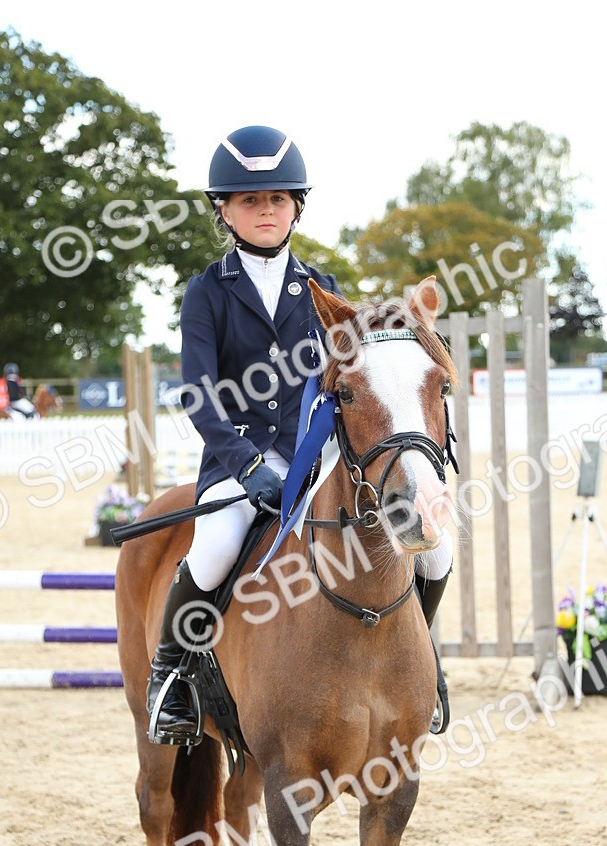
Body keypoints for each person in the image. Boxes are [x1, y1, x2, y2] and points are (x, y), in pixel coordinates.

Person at [146, 125, 453, 744]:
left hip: (320, 460)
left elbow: (343, 378)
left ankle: (422, 667)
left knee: (436, 546)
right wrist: (246, 462)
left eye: (278, 199)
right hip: (238, 468)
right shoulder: (207, 292)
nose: (266, 211)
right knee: (212, 548)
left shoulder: (322, 289)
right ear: (225, 211)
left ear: (296, 207)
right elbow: (199, 394)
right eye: (251, 201)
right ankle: (171, 677)